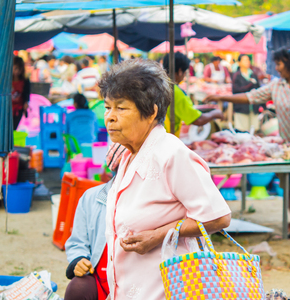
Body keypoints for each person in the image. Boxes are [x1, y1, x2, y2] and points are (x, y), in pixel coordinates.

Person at [98, 59, 231, 300]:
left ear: (151, 112)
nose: (110, 117)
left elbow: (218, 216)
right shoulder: (129, 154)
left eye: (121, 108)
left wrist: (158, 235)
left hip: (167, 289)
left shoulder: (171, 153)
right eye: (107, 107)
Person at [204, 46, 290, 243]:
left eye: (280, 63)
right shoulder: (276, 86)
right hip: (289, 148)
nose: (277, 67)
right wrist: (220, 97)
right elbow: (251, 97)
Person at [64, 145, 126, 300]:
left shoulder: (149, 201)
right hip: (100, 278)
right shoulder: (91, 198)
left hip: (135, 282)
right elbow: (77, 242)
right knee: (78, 288)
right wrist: (79, 261)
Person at [162, 52, 223, 137]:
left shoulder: (160, 83)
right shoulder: (175, 91)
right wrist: (215, 114)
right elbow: (198, 120)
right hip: (166, 139)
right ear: (180, 71)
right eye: (184, 72)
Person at [231, 54, 263, 132]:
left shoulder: (253, 75)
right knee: (242, 130)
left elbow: (259, 90)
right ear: (239, 63)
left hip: (253, 107)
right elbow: (236, 90)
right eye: (244, 60)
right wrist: (250, 84)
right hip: (241, 107)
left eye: (248, 60)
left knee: (254, 129)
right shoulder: (236, 76)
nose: (247, 62)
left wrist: (262, 106)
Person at [12, 56, 31, 130]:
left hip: (18, 109)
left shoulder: (25, 80)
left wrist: (26, 103)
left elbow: (27, 94)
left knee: (14, 128)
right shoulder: (7, 81)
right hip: (8, 108)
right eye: (15, 68)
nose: (17, 71)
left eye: (19, 69)